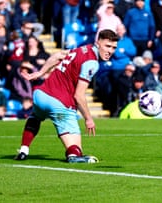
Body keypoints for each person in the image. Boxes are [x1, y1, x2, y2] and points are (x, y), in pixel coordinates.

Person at [14, 29, 119, 163]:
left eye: (114, 48)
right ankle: (74, 157)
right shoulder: (92, 63)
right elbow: (79, 95)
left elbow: (58, 55)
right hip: (60, 103)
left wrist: (41, 73)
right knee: (75, 151)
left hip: (41, 95)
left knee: (35, 117)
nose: (110, 51)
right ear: (98, 43)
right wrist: (88, 118)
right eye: (107, 46)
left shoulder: (82, 49)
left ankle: (24, 150)